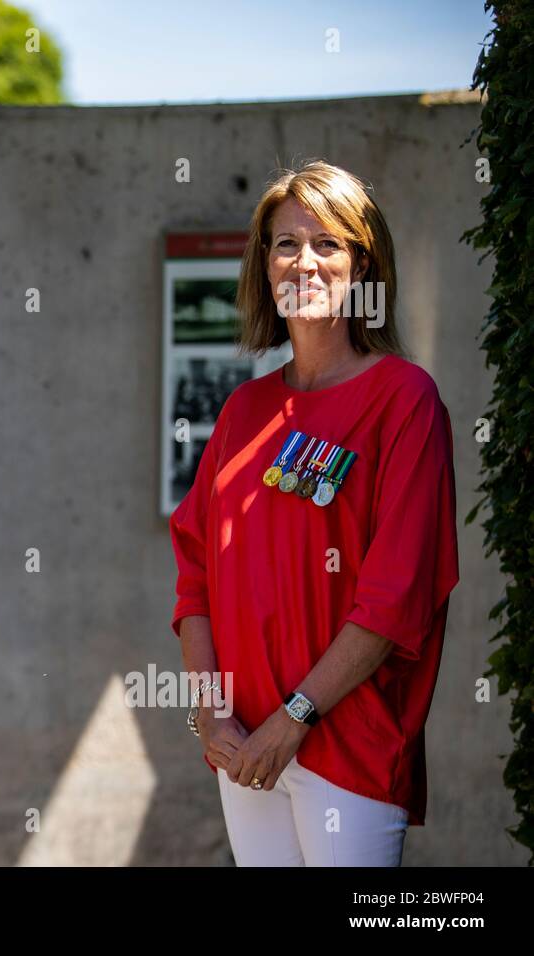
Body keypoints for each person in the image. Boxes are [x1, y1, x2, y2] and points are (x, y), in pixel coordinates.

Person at [169, 160, 458, 866]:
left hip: (345, 746)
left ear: (363, 264)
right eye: (285, 243)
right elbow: (196, 578)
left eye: (328, 243)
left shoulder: (404, 400)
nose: (304, 260)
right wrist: (212, 713)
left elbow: (392, 602)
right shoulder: (243, 411)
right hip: (244, 751)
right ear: (264, 265)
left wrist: (293, 718)